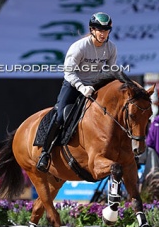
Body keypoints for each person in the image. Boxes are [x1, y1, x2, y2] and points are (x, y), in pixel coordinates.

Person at [36, 11, 117, 172]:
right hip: (73, 85)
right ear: (92, 30)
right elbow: (69, 73)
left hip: (95, 86)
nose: (103, 34)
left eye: (106, 30)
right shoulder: (79, 47)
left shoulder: (111, 48)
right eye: (100, 30)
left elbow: (111, 72)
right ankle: (45, 153)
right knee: (60, 115)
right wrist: (81, 87)